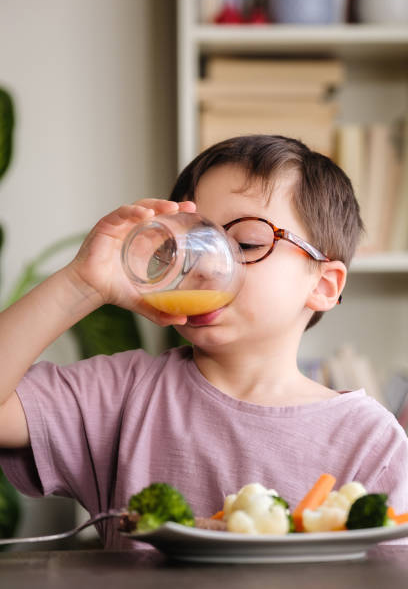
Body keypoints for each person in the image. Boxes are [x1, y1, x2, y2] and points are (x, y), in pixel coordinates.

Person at [0, 135, 407, 549]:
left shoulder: (371, 441)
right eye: (188, 244)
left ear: (323, 285)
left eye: (247, 243)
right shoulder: (122, 394)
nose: (208, 265)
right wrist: (80, 284)